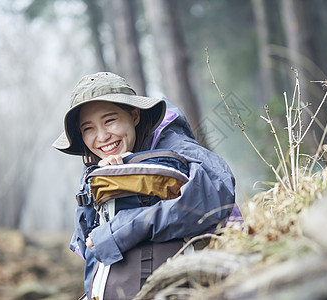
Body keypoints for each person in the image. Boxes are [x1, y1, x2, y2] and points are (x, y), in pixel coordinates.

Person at [52, 72, 238, 299]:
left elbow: (215, 190)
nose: (102, 137)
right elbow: (90, 243)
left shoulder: (173, 143)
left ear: (135, 115)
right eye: (88, 129)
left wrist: (124, 229)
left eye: (110, 120)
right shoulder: (97, 165)